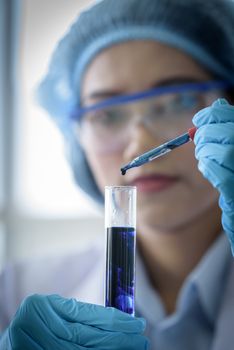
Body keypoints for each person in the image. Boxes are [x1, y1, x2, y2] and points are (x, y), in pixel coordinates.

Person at [1, 0, 234, 349]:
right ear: (76, 136)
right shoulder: (13, 294)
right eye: (107, 114)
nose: (139, 143)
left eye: (178, 100)